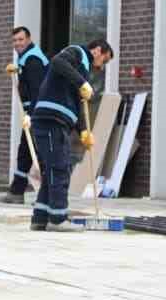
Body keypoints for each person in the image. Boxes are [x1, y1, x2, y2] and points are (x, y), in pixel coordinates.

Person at [29, 38, 114, 232]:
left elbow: (78, 104)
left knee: (53, 169)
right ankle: (58, 220)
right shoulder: (76, 52)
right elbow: (57, 62)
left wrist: (84, 130)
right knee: (59, 168)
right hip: (51, 120)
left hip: (58, 122)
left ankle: (40, 218)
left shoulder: (80, 68)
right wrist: (82, 82)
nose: (102, 67)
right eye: (105, 61)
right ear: (98, 51)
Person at [0, 27, 48, 205]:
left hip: (39, 113)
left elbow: (38, 90)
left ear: (28, 39)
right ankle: (17, 191)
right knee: (25, 151)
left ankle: (47, 196)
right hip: (32, 111)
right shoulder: (25, 58)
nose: (17, 43)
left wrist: (32, 115)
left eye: (20, 40)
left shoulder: (33, 59)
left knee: (41, 153)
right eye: (14, 41)